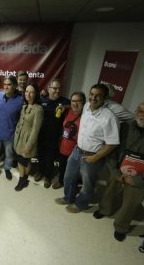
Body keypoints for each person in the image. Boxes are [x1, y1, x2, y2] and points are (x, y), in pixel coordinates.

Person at [93, 102, 144, 242]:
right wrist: (114, 171)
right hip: (118, 171)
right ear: (135, 111)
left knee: (131, 202)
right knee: (109, 191)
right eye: (141, 111)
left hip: (140, 178)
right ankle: (104, 209)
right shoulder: (123, 127)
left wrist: (138, 179)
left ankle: (121, 226)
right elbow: (111, 148)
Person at [55, 84, 120, 213]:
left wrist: (95, 157)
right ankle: (68, 198)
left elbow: (113, 143)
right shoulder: (86, 107)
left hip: (93, 155)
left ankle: (81, 204)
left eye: (98, 95)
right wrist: (64, 106)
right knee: (68, 177)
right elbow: (74, 106)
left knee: (87, 183)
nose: (93, 98)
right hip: (77, 150)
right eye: (91, 94)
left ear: (105, 98)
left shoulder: (109, 117)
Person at [0, 75, 23, 183]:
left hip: (10, 133)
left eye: (9, 84)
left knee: (9, 154)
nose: (6, 87)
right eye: (5, 84)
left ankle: (7, 168)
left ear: (15, 86)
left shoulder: (20, 100)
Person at [36, 80, 70, 188]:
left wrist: (66, 107)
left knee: (50, 157)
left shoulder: (63, 101)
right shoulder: (42, 100)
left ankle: (48, 177)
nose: (58, 90)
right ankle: (40, 172)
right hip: (41, 134)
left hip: (54, 135)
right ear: (49, 89)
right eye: (55, 88)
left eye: (59, 88)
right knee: (40, 154)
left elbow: (74, 105)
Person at [52, 92, 86, 189]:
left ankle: (71, 187)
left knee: (74, 171)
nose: (75, 104)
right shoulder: (68, 111)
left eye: (78, 101)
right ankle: (61, 181)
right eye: (73, 101)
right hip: (64, 145)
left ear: (84, 103)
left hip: (76, 150)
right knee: (62, 166)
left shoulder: (86, 116)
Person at [13, 83, 43, 191]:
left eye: (31, 92)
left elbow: (35, 130)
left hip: (28, 140)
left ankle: (22, 180)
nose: (28, 94)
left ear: (35, 94)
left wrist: (29, 145)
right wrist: (16, 138)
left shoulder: (38, 109)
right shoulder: (24, 106)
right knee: (20, 159)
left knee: (25, 160)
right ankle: (23, 179)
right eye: (26, 91)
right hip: (19, 138)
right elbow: (19, 123)